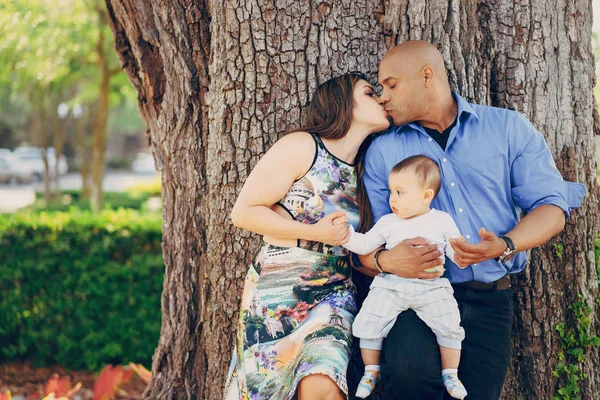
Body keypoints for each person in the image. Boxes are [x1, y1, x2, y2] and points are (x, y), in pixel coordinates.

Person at [354, 40, 586, 399]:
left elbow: (552, 209)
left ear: (426, 76)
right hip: (413, 297)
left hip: (490, 302)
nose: (383, 96)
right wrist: (386, 260)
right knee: (408, 379)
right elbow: (371, 243)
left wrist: (505, 245)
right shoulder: (384, 151)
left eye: (391, 84)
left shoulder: (507, 129)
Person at [225, 72, 390, 400]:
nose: (382, 99)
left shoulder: (367, 170)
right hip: (277, 292)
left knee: (323, 385)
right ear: (345, 103)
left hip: (334, 292)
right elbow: (244, 212)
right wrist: (313, 232)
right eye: (371, 93)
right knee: (266, 391)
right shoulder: (303, 146)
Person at [342, 155, 467, 399]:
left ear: (426, 196)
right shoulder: (388, 222)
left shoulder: (442, 220)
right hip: (392, 286)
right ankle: (371, 370)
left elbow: (454, 248)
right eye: (391, 191)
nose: (392, 199)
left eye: (400, 192)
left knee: (449, 325)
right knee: (370, 322)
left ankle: (451, 372)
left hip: (432, 287)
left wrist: (463, 252)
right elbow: (365, 243)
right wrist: (344, 236)